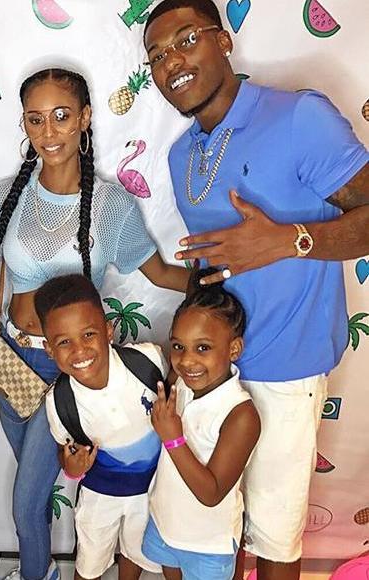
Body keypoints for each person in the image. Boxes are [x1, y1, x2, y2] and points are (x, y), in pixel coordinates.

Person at [143, 1, 369, 578]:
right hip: (209, 371)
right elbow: (215, 267)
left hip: (285, 370)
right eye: (157, 56)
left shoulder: (299, 118)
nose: (172, 62)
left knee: (272, 538)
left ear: (223, 41)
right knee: (206, 526)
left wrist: (287, 241)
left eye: (186, 40)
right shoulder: (181, 155)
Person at [0, 68, 190, 580]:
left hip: (68, 370)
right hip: (9, 360)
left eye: (61, 116)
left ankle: (38, 574)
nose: (48, 132)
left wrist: (223, 280)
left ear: (85, 119)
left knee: (27, 500)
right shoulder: (6, 196)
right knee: (31, 490)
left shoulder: (111, 206)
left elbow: (160, 274)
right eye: (35, 120)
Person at [35, 274, 168, 580]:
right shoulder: (60, 402)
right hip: (99, 497)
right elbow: (66, 451)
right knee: (89, 563)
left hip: (151, 491)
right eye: (64, 342)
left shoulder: (148, 361)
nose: (79, 350)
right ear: (49, 349)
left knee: (136, 552)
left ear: (108, 330)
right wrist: (72, 467)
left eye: (88, 334)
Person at [143, 269, 260, 580]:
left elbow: (212, 493)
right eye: (178, 346)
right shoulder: (181, 383)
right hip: (165, 522)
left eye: (203, 348)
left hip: (208, 544)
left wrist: (173, 439)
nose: (186, 360)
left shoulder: (240, 414)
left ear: (234, 349)